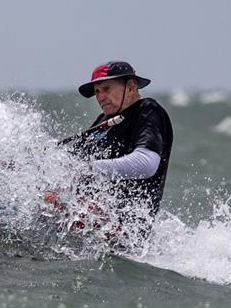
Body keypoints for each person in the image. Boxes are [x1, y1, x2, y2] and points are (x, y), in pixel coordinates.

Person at [71, 61, 174, 238]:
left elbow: (147, 164)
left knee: (58, 204)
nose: (100, 97)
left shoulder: (148, 111)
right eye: (97, 91)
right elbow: (70, 162)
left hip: (128, 230)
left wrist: (90, 168)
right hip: (98, 220)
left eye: (106, 88)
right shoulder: (103, 122)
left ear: (131, 87)